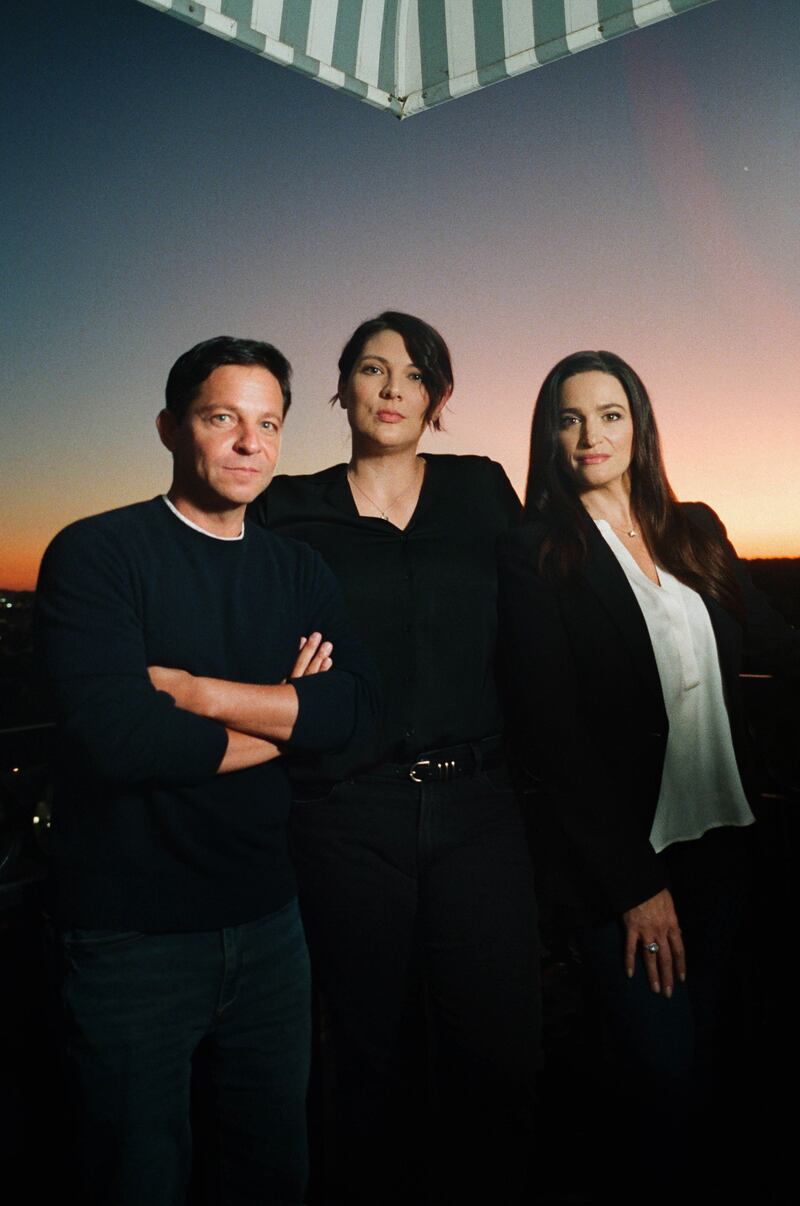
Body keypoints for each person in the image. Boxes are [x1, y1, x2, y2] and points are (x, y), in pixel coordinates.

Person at [36, 336, 380, 1206]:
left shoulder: (299, 568)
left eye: (267, 424)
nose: (248, 443)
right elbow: (122, 739)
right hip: (130, 940)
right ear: (170, 427)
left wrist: (195, 693)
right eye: (222, 417)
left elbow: (350, 714)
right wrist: (282, 719)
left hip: (271, 924)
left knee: (273, 1175)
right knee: (135, 1179)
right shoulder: (97, 553)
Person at [249, 312, 540, 1205]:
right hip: (345, 813)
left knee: (496, 1048)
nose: (390, 389)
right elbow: (238, 617)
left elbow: (544, 614)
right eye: (371, 371)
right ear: (340, 389)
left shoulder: (481, 489)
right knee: (363, 1055)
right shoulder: (288, 505)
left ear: (438, 398)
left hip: (480, 809)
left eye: (412, 375)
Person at [497, 349, 800, 1200]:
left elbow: (776, 642)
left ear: (640, 426)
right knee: (657, 1080)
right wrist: (633, 884)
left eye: (610, 414)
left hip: (726, 845)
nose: (590, 434)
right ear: (549, 436)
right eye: (569, 417)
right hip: (627, 866)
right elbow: (549, 737)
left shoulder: (694, 528)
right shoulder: (538, 554)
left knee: (711, 1064)